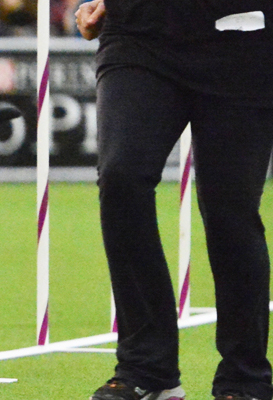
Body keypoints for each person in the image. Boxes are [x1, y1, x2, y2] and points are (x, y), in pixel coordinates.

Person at [77, 0, 273, 399]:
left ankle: (244, 377)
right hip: (137, 35)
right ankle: (147, 369)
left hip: (242, 40)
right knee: (121, 177)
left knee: (229, 211)